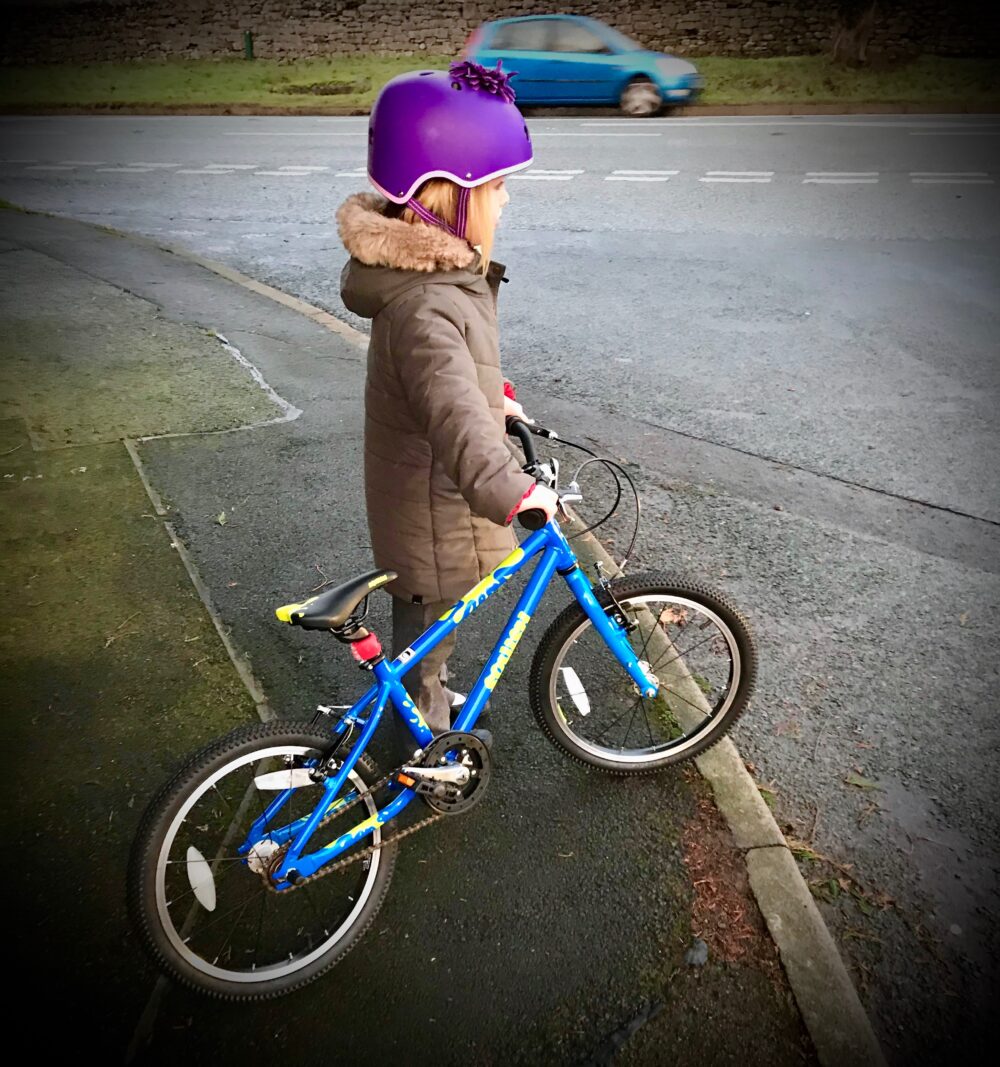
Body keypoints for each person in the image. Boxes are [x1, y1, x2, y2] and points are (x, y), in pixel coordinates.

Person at [337, 60, 559, 757]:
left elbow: (450, 381)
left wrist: (497, 395)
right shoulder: (429, 303)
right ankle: (415, 743)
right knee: (430, 616)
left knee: (430, 615)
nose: (505, 201)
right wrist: (514, 491)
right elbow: (456, 418)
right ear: (448, 197)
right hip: (436, 501)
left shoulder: (432, 278)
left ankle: (420, 698)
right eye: (495, 187)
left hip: (422, 491)